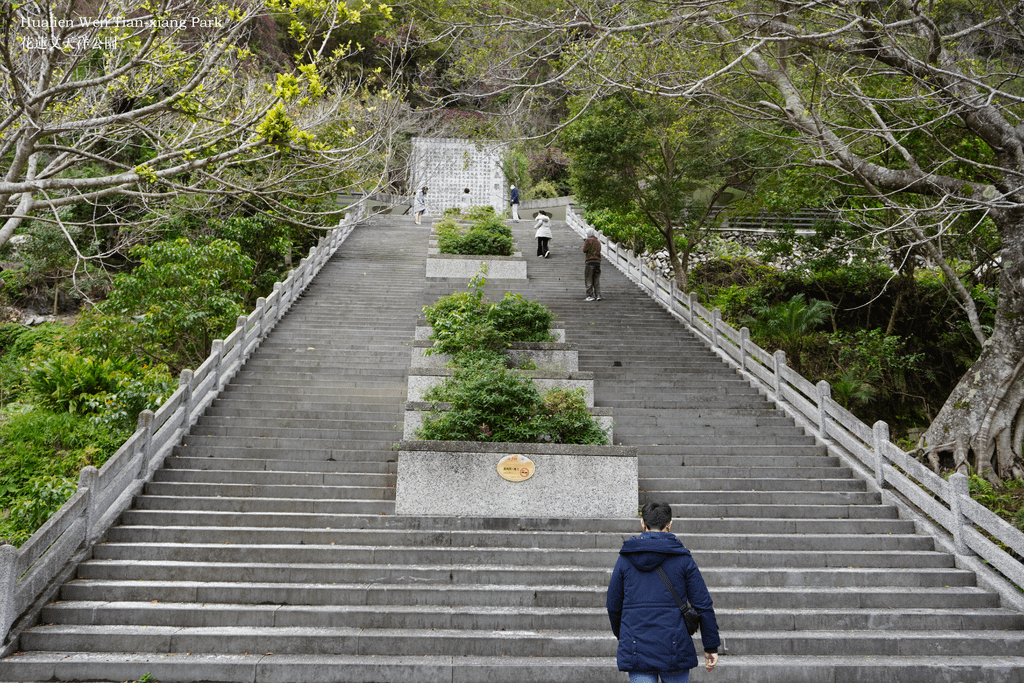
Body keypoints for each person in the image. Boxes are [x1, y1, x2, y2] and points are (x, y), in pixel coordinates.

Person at [607, 501, 721, 683]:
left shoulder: (625, 559)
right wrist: (711, 646)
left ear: (642, 524)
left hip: (636, 647)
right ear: (669, 524)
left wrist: (625, 637)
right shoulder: (683, 559)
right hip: (675, 647)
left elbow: (613, 605)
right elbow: (703, 605)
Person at [583, 226, 602, 301]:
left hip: (590, 261)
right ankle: (598, 295)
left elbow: (584, 250)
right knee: (596, 280)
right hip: (597, 262)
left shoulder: (588, 241)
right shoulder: (598, 241)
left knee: (588, 279)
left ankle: (590, 295)